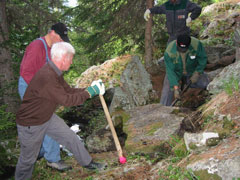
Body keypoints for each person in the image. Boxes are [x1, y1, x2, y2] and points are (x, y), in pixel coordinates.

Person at [15, 42, 106, 180]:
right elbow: (67, 100)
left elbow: (68, 91)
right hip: (31, 123)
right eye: (71, 58)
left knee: (69, 136)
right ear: (63, 58)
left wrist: (90, 89)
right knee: (28, 159)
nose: (72, 61)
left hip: (46, 116)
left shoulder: (55, 72)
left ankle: (88, 163)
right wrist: (90, 92)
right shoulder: (47, 76)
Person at [18, 22, 72, 171]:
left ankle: (40, 152)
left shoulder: (51, 49)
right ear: (52, 33)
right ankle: (53, 159)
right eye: (61, 38)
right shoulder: (37, 46)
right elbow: (26, 73)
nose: (62, 42)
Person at [160, 34, 209, 106]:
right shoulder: (169, 51)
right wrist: (175, 88)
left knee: (205, 83)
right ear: (176, 43)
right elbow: (170, 71)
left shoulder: (197, 45)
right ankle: (163, 108)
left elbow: (203, 59)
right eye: (180, 48)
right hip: (176, 73)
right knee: (168, 88)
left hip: (191, 71)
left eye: (185, 49)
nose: (182, 51)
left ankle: (187, 84)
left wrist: (197, 72)